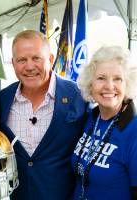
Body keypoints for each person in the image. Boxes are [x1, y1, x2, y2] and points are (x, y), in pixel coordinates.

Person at [0, 30, 86, 200]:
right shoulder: (2, 99)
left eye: (36, 58)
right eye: (22, 60)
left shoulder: (78, 95)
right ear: (13, 63)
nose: (29, 67)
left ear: (50, 60)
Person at [71, 46, 137, 200]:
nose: (109, 86)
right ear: (90, 83)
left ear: (127, 84)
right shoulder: (91, 119)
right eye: (101, 78)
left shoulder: (134, 132)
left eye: (117, 79)